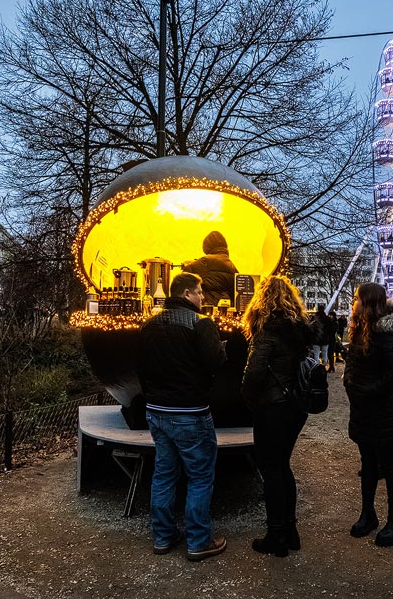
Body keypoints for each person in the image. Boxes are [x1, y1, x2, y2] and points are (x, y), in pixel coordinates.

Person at [136, 272, 228, 561]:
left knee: (164, 473)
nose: (203, 298)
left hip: (156, 412)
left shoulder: (149, 325)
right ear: (187, 293)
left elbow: (139, 367)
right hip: (190, 412)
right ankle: (198, 541)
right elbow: (216, 362)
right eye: (200, 292)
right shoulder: (201, 324)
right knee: (200, 477)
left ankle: (163, 537)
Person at [240, 275, 315, 557]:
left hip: (272, 407)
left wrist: (248, 399)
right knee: (283, 466)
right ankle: (291, 531)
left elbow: (255, 373)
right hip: (295, 407)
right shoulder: (298, 330)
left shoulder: (266, 331)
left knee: (271, 469)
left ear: (262, 299)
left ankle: (276, 536)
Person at [344, 282, 393, 548]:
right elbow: (351, 361)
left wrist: (370, 389)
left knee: (389, 464)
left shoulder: (385, 333)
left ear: (368, 302)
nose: (353, 301)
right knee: (367, 463)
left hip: (382, 411)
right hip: (363, 409)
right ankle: (368, 513)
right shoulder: (360, 329)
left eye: (357, 298)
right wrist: (349, 382)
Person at [182, 231, 239, 306]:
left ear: (206, 247)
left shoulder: (203, 262)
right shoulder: (232, 266)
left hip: (205, 310)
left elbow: (183, 281)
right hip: (224, 311)